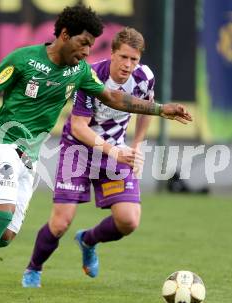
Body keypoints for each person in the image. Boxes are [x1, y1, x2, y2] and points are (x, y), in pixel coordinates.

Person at [0, 5, 192, 303]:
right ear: (63, 35)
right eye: (83, 43)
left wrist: (161, 109)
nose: (87, 52)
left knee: (4, 236)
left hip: (29, 157)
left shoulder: (79, 71)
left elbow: (112, 97)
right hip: (3, 144)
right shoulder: (24, 59)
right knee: (0, 217)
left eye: (91, 46)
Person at [21, 27, 167, 287]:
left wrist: (137, 146)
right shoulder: (91, 76)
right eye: (123, 57)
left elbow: (146, 110)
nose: (128, 65)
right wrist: (115, 151)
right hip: (77, 149)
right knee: (60, 223)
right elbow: (79, 127)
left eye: (133, 59)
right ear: (112, 53)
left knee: (129, 220)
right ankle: (34, 268)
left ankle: (88, 240)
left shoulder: (144, 77)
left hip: (115, 152)